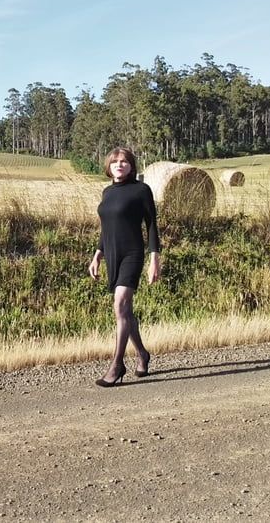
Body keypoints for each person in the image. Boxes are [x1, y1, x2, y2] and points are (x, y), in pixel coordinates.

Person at [87, 147, 161, 387]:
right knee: (125, 312)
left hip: (132, 253)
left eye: (125, 161)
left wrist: (154, 260)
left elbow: (152, 226)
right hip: (111, 254)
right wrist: (97, 255)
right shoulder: (107, 192)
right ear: (109, 166)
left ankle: (117, 365)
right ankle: (142, 353)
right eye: (115, 161)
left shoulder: (141, 190)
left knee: (120, 305)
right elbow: (107, 227)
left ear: (131, 166)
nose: (120, 165)